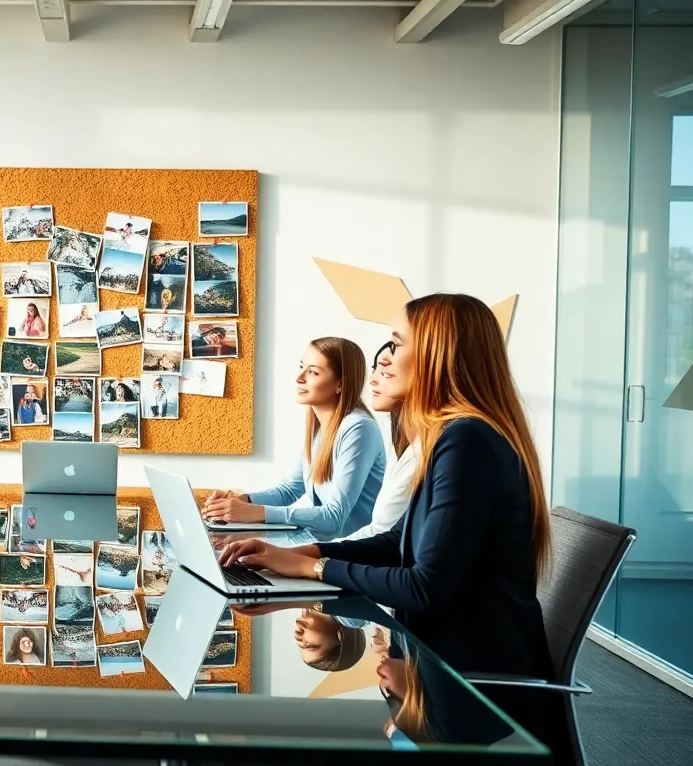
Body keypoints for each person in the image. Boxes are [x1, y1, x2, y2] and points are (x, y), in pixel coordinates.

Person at [217, 294, 559, 752]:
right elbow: (398, 540)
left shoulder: (467, 441)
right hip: (445, 661)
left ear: (438, 355)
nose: (385, 358)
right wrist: (309, 554)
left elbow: (424, 587)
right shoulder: (455, 437)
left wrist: (314, 571)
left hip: (470, 686)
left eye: (396, 344)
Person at [202, 337, 385, 539]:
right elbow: (290, 490)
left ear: (340, 384)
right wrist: (242, 500)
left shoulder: (358, 428)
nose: (299, 377)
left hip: (351, 555)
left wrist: (258, 513)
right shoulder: (320, 427)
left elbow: (334, 517)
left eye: (313, 372)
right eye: (301, 367)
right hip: (320, 544)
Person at [336, 341, 418, 542]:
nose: (372, 380)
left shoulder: (360, 426)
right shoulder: (400, 445)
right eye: (375, 369)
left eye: (385, 371)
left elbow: (383, 533)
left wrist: (310, 556)